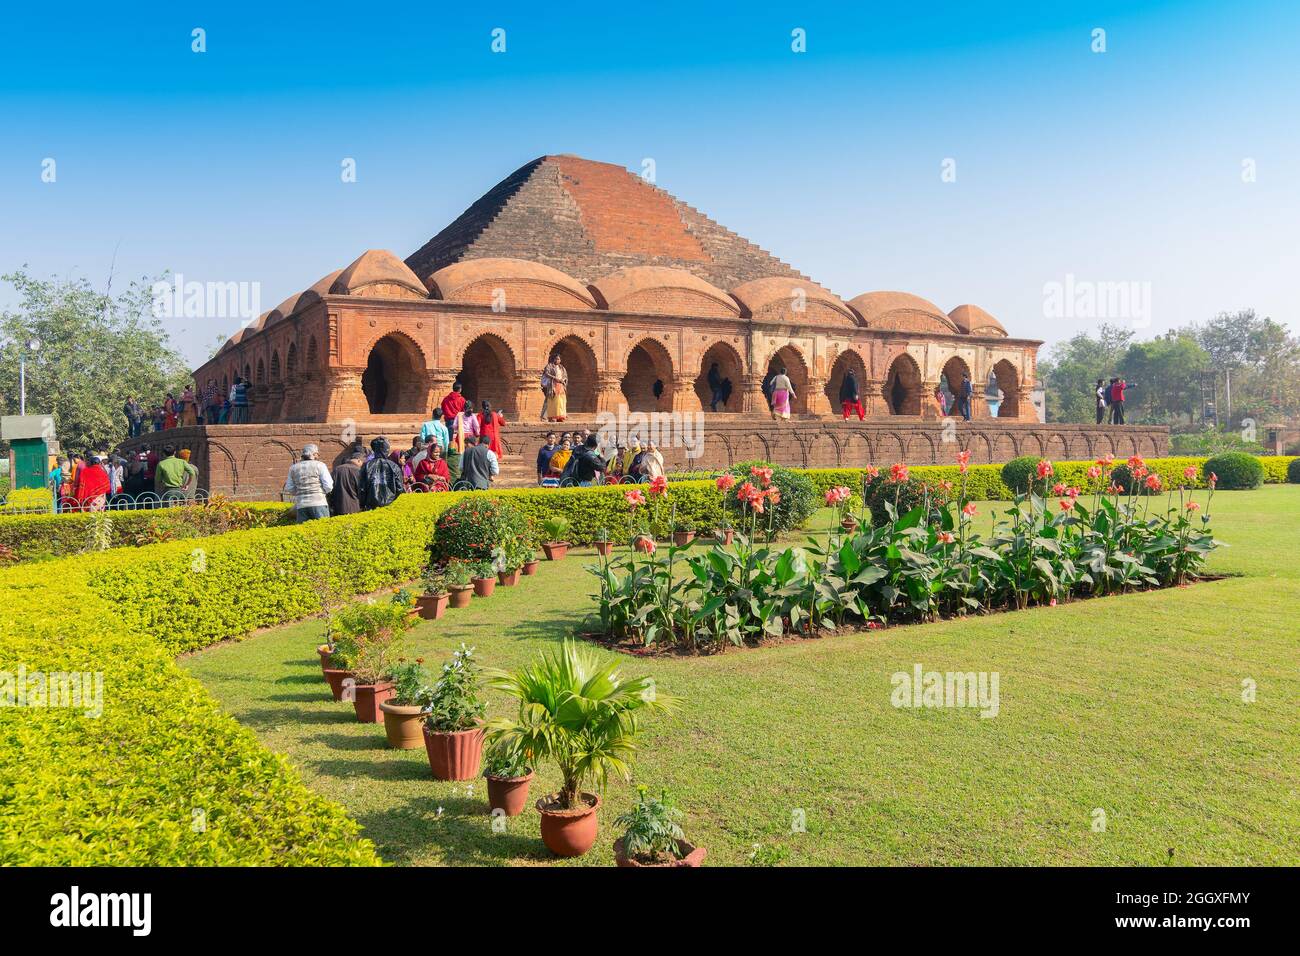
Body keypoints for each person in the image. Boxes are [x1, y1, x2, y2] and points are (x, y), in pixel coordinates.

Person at [283, 444, 334, 523]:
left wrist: (300, 493)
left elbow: (289, 487)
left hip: (301, 505)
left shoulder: (293, 468)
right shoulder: (320, 465)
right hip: (319, 503)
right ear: (313, 454)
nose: (318, 456)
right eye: (317, 454)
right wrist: (322, 492)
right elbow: (328, 485)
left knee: (304, 532)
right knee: (322, 529)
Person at [359, 437, 404, 510]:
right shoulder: (394, 466)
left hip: (371, 506)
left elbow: (362, 488)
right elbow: (400, 488)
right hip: (390, 506)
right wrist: (392, 501)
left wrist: (362, 504)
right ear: (387, 450)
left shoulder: (367, 466)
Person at [330, 444, 366, 515]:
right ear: (359, 460)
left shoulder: (336, 470)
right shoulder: (358, 471)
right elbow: (362, 491)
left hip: (338, 508)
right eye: (362, 462)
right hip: (355, 508)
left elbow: (330, 489)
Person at [542, 353, 568, 422]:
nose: (558, 360)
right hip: (552, 385)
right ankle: (552, 416)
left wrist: (563, 380)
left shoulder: (561, 367)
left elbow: (565, 375)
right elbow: (546, 373)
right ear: (553, 359)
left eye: (559, 359)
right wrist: (554, 378)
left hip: (560, 385)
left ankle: (560, 417)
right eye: (556, 359)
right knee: (553, 401)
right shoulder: (549, 366)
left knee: (561, 401)